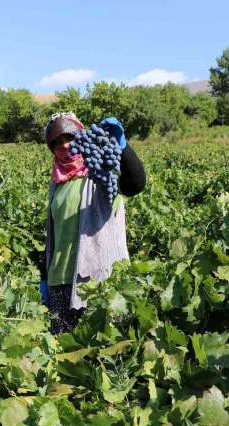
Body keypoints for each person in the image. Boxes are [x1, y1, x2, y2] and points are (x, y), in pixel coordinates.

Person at [40, 112, 146, 334]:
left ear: (81, 136)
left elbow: (134, 184)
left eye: (69, 138)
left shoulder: (100, 172)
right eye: (56, 142)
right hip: (60, 282)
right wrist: (44, 276)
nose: (64, 145)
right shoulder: (56, 183)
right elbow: (54, 233)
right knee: (65, 355)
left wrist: (123, 148)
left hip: (99, 282)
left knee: (105, 352)